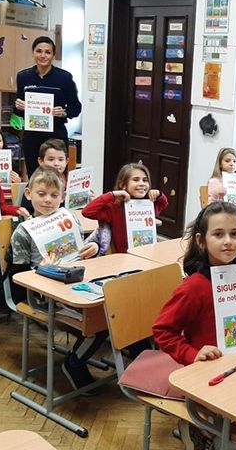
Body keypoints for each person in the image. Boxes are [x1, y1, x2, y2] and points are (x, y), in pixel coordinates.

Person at [153, 201, 236, 450]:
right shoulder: (194, 287)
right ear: (201, 240)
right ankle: (197, 431)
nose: (228, 241)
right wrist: (193, 354)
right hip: (206, 374)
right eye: (218, 234)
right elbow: (162, 330)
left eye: (235, 233)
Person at [10, 167, 101, 393]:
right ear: (29, 193)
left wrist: (92, 248)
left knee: (113, 308)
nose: (48, 200)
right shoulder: (22, 232)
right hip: (44, 293)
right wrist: (40, 270)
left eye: (54, 195)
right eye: (41, 194)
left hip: (76, 280)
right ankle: (74, 364)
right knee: (101, 320)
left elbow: (80, 253)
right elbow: (17, 278)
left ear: (63, 197)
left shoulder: (70, 219)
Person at [14, 36, 81, 175]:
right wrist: (19, 107)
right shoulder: (23, 77)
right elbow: (18, 111)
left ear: (53, 55)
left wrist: (64, 112)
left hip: (56, 134)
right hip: (32, 135)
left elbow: (76, 107)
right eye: (39, 51)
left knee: (57, 175)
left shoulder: (65, 77)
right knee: (35, 175)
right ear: (33, 53)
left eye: (48, 52)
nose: (43, 55)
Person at [82, 162, 169, 253]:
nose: (142, 183)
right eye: (136, 180)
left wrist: (159, 194)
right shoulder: (114, 207)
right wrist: (112, 195)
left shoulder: (149, 205)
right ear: (123, 185)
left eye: (145, 180)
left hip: (147, 254)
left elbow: (163, 203)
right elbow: (87, 212)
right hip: (124, 257)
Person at [20, 138, 69, 216]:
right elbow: (27, 211)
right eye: (51, 159)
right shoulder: (36, 182)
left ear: (66, 161)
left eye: (60, 160)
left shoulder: (69, 182)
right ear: (41, 161)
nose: (56, 163)